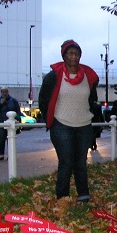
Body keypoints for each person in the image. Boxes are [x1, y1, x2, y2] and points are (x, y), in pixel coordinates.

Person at [38, 39, 99, 202]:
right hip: (61, 125)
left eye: (77, 53)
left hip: (84, 125)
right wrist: (49, 119)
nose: (74, 57)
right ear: (64, 55)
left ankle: (83, 195)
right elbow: (43, 100)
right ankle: (62, 196)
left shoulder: (88, 76)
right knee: (65, 161)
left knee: (80, 161)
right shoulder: (53, 77)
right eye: (70, 53)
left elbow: (92, 100)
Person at [0, 87, 22, 160]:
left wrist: (18, 120)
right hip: (1, 122)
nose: (4, 93)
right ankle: (1, 154)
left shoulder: (13, 100)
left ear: (8, 92)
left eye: (5, 92)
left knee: (10, 139)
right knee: (1, 139)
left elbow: (18, 111)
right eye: (3, 92)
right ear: (1, 92)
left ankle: (10, 154)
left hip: (11, 123)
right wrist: (1, 103)